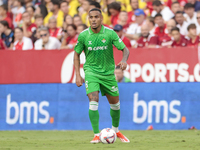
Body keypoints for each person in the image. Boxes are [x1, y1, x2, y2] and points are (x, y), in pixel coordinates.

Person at [74, 8, 130, 143]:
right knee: (93, 101)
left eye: (96, 17)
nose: (93, 20)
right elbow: (76, 54)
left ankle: (116, 130)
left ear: (101, 19)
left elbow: (125, 49)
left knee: (115, 105)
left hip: (108, 74)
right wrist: (78, 74)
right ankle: (96, 134)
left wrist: (124, 60)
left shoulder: (110, 33)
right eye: (91, 17)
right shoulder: (83, 35)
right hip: (91, 72)